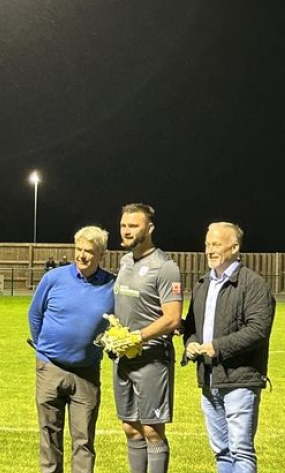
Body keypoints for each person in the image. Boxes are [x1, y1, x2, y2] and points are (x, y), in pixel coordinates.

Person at [183, 222, 276, 473]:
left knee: (240, 450)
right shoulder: (203, 283)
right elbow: (191, 326)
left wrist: (218, 347)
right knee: (221, 452)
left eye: (216, 244)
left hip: (240, 381)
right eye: (207, 244)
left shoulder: (253, 284)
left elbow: (258, 330)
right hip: (209, 379)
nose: (209, 250)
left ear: (234, 247)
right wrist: (191, 344)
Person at [28, 226, 116, 473]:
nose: (81, 256)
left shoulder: (112, 285)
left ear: (101, 254)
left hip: (87, 372)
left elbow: (120, 322)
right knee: (49, 436)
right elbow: (35, 314)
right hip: (50, 368)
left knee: (84, 439)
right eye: (79, 249)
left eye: (89, 251)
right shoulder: (53, 278)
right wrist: (45, 349)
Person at [112, 203, 182, 473]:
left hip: (152, 357)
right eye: (123, 225)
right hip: (123, 357)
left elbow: (173, 318)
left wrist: (137, 337)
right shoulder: (125, 261)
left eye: (133, 225)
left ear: (150, 228)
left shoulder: (165, 267)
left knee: (152, 430)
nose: (126, 231)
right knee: (130, 427)